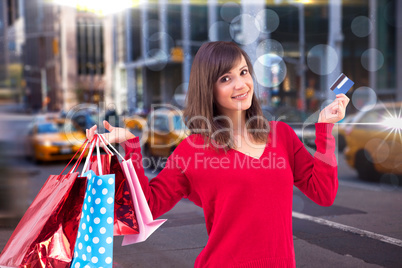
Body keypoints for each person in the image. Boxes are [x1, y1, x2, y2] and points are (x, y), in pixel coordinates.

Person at [87, 41, 349, 267]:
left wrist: (325, 129)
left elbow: (323, 193)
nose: (241, 84)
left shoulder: (281, 135)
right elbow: (146, 208)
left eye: (243, 72)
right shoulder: (192, 150)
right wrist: (131, 146)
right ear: (208, 88)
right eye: (226, 78)